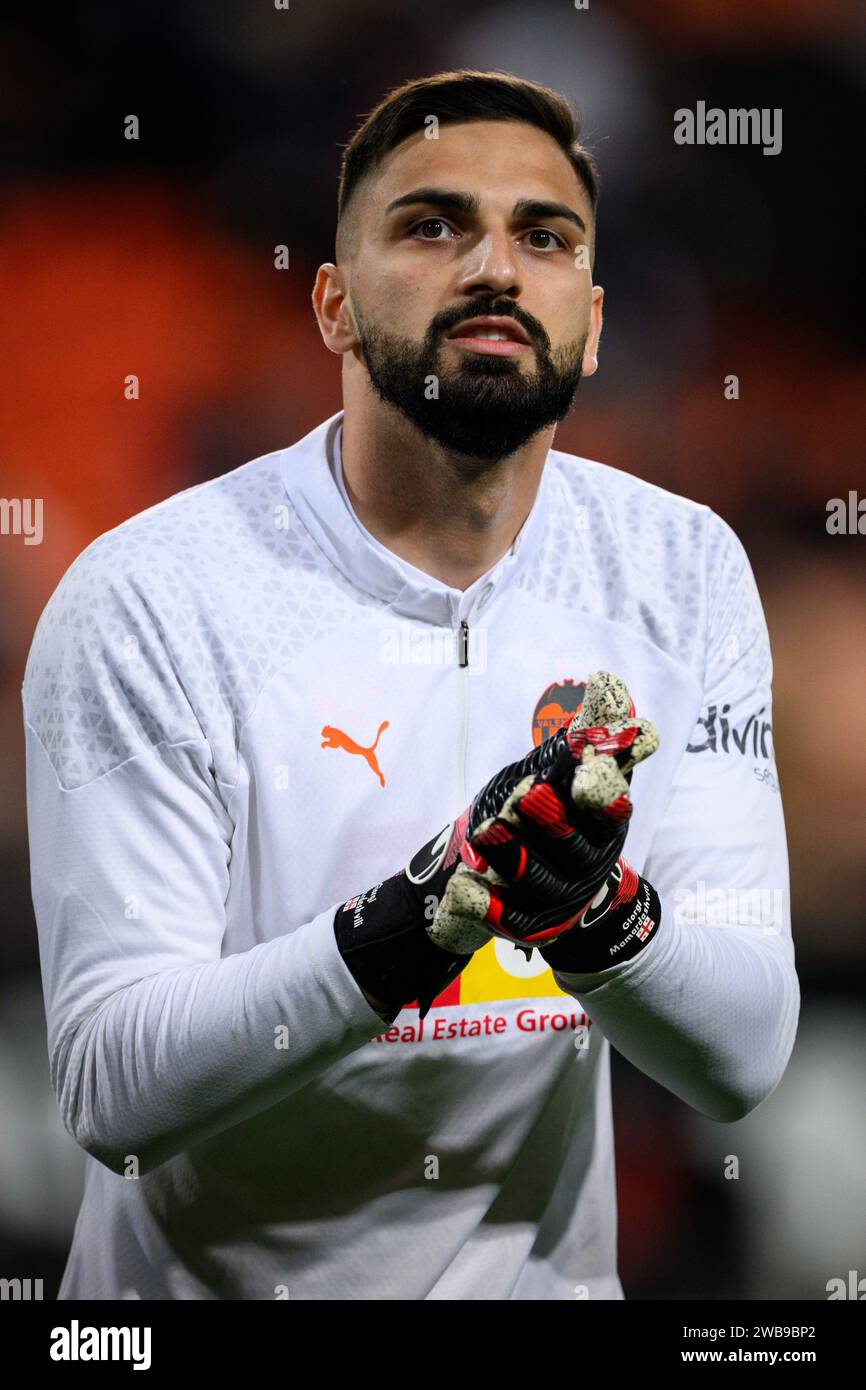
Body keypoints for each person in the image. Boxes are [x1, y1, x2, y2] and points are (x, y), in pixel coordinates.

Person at [22, 69, 799, 1301]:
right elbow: (112, 1091)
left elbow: (742, 1053)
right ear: (331, 305)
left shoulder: (679, 567)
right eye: (432, 225)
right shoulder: (151, 597)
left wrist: (592, 919)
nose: (492, 267)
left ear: (591, 323)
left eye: (540, 236)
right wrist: (412, 926)